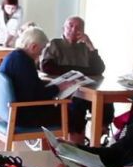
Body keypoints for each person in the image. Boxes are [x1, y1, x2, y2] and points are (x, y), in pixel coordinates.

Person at [0, 27, 84, 142]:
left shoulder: (13, 57)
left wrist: (48, 84)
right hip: (25, 117)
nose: (41, 53)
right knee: (75, 112)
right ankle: (77, 153)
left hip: (11, 113)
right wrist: (59, 87)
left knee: (70, 107)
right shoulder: (25, 62)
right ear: (33, 47)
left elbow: (27, 85)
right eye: (42, 49)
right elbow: (35, 95)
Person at [41, 16, 110, 144]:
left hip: (86, 88)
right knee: (77, 106)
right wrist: (79, 71)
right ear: (64, 28)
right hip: (64, 90)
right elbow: (47, 66)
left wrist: (90, 45)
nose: (74, 30)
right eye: (70, 26)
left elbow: (99, 68)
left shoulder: (85, 47)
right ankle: (77, 145)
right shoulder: (55, 43)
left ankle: (98, 141)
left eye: (78, 27)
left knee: (106, 103)